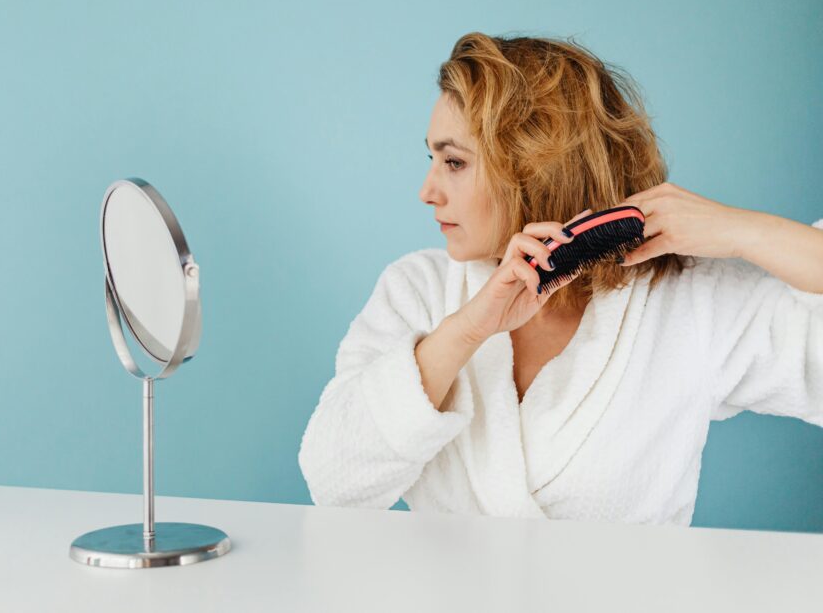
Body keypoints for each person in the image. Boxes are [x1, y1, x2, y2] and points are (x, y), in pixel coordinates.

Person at [297, 33, 823, 526]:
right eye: (432, 159)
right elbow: (333, 483)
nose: (427, 191)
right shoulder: (419, 289)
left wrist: (745, 230)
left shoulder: (683, 303)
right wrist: (466, 331)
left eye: (454, 162)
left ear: (533, 167)